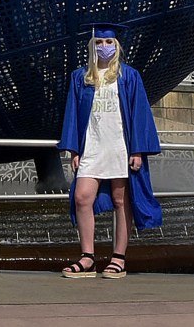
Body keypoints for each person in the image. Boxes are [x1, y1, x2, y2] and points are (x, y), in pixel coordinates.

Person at [56, 22, 161, 279]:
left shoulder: (129, 76)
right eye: (100, 43)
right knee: (82, 197)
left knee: (120, 200)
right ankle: (88, 256)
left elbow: (139, 115)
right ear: (92, 47)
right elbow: (72, 116)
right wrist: (74, 149)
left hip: (120, 147)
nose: (105, 47)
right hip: (92, 146)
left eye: (109, 43)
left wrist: (137, 150)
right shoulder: (81, 77)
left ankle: (119, 257)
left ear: (117, 46)